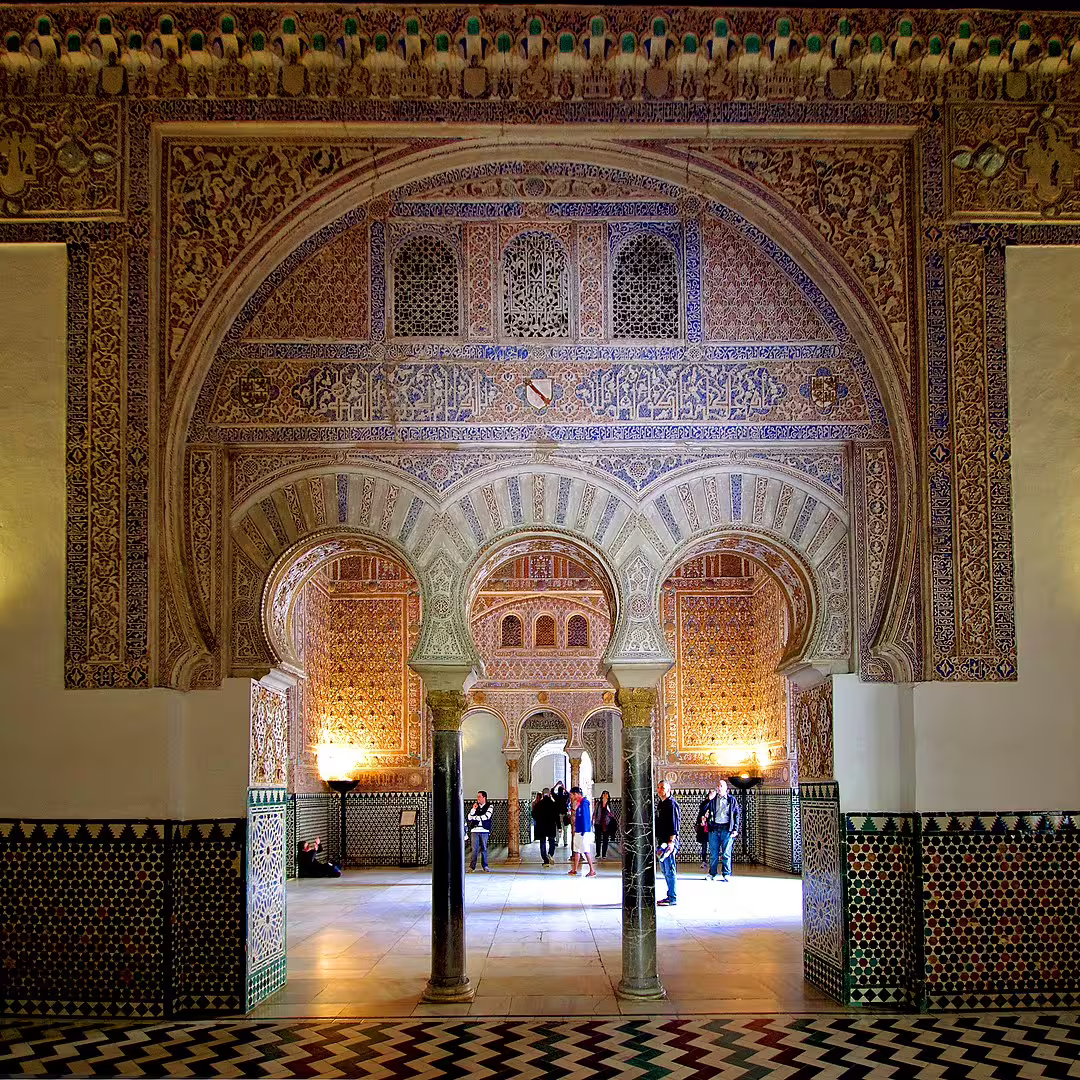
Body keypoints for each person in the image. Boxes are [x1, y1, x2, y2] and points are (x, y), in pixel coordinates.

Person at [703, 779, 741, 881]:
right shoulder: (712, 799)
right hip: (714, 829)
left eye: (721, 786)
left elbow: (737, 814)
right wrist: (708, 799)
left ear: (726, 788)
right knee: (714, 853)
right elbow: (703, 809)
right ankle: (712, 873)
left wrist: (735, 829)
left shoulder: (731, 800)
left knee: (726, 853)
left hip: (727, 829)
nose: (719, 788)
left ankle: (726, 873)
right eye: (718, 786)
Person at [655, 780, 681, 906]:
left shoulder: (671, 805)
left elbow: (674, 824)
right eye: (659, 788)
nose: (660, 790)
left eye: (663, 788)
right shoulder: (661, 804)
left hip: (669, 842)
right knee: (665, 870)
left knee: (670, 869)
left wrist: (671, 841)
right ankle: (670, 895)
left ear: (668, 790)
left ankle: (672, 897)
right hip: (662, 842)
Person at [567, 786, 597, 876]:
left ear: (576, 794)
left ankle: (592, 870)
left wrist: (584, 830)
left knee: (586, 850)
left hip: (583, 831)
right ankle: (575, 869)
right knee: (577, 850)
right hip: (579, 830)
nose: (571, 797)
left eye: (571, 795)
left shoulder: (584, 803)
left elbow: (585, 818)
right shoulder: (579, 804)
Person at [467, 790, 494, 872]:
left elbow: (487, 816)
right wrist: (473, 809)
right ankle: (472, 867)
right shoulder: (475, 806)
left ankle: (485, 866)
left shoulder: (490, 806)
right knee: (474, 849)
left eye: (479, 796)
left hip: (484, 830)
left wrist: (475, 818)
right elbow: (469, 817)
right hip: (474, 830)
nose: (478, 798)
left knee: (484, 849)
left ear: (484, 797)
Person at [532, 787, 559, 866]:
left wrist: (538, 820)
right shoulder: (553, 804)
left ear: (543, 795)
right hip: (551, 826)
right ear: (550, 794)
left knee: (542, 842)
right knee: (552, 841)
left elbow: (533, 815)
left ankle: (545, 860)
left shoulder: (539, 804)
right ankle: (550, 854)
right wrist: (559, 826)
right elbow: (556, 816)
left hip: (541, 826)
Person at [594, 790, 619, 859]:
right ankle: (598, 853)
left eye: (606, 794)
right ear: (601, 795)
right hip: (598, 823)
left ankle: (604, 854)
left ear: (608, 796)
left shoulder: (610, 804)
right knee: (598, 839)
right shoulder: (598, 804)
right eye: (604, 794)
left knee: (605, 839)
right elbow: (595, 813)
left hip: (607, 824)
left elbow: (612, 814)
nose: (605, 795)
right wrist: (594, 821)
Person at [552, 781, 571, 849]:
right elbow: (569, 793)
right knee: (565, 829)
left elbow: (552, 791)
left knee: (557, 829)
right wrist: (563, 786)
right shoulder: (565, 797)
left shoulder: (556, 797)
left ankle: (557, 842)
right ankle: (565, 842)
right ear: (563, 790)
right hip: (564, 815)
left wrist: (556, 785)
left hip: (557, 815)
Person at [695, 792, 712, 870]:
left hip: (711, 827)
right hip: (705, 828)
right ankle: (704, 861)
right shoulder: (705, 805)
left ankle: (709, 862)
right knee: (705, 846)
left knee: (712, 846)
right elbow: (700, 816)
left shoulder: (714, 804)